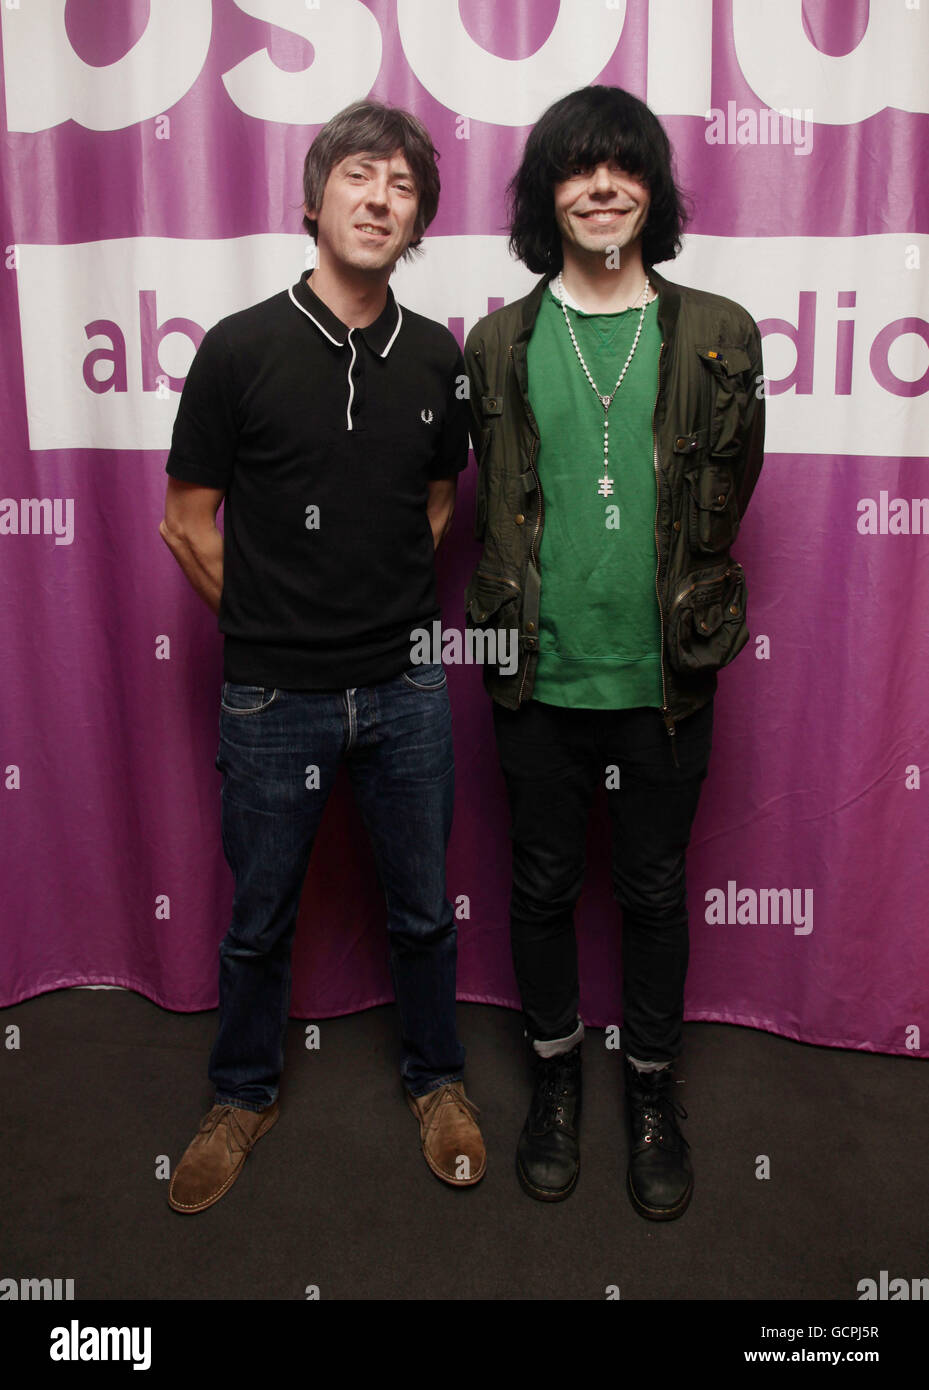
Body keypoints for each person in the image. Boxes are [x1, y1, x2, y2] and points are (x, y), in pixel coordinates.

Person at [159, 100, 484, 1213]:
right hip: (269, 700)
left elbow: (436, 501)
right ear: (315, 200)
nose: (380, 196)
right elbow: (184, 521)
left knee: (423, 909)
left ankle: (436, 1081)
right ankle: (241, 1093)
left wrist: (375, 603)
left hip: (405, 691)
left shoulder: (438, 355)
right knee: (258, 917)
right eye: (359, 175)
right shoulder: (238, 347)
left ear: (417, 222)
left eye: (401, 186)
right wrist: (269, 625)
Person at [463, 85, 764, 1219]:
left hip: (664, 680)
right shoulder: (496, 341)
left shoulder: (719, 332)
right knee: (538, 886)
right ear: (549, 194)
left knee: (650, 891)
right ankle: (551, 1081)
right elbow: (485, 511)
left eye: (622, 168)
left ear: (650, 189)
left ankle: (647, 1090)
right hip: (531, 673)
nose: (600, 187)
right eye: (576, 170)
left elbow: (729, 496)